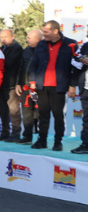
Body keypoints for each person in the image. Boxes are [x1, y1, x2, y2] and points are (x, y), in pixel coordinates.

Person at [28, 20, 79, 151]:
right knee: (43, 115)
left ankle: (58, 142)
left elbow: (76, 67)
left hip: (59, 86)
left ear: (56, 31)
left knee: (58, 115)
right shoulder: (41, 45)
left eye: (46, 32)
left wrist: (73, 85)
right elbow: (34, 64)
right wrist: (32, 82)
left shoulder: (70, 44)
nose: (44, 35)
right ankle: (42, 141)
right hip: (42, 86)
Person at [0, 29, 24, 142]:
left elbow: (9, 63)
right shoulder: (1, 49)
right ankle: (5, 132)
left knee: (14, 110)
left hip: (11, 84)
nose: (3, 39)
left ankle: (16, 133)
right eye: (1, 37)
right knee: (2, 109)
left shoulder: (17, 48)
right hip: (1, 84)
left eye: (6, 37)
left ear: (12, 36)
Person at [15, 30, 42, 145]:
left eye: (29, 38)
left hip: (40, 87)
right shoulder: (25, 51)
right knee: (26, 113)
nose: (26, 40)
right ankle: (27, 136)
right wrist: (17, 83)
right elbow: (20, 68)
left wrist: (36, 85)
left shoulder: (43, 51)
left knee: (41, 114)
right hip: (25, 87)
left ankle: (42, 138)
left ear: (37, 39)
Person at [71, 26, 88, 153]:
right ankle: (86, 144)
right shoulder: (85, 45)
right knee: (86, 118)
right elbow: (75, 60)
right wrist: (82, 60)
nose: (86, 35)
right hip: (86, 88)